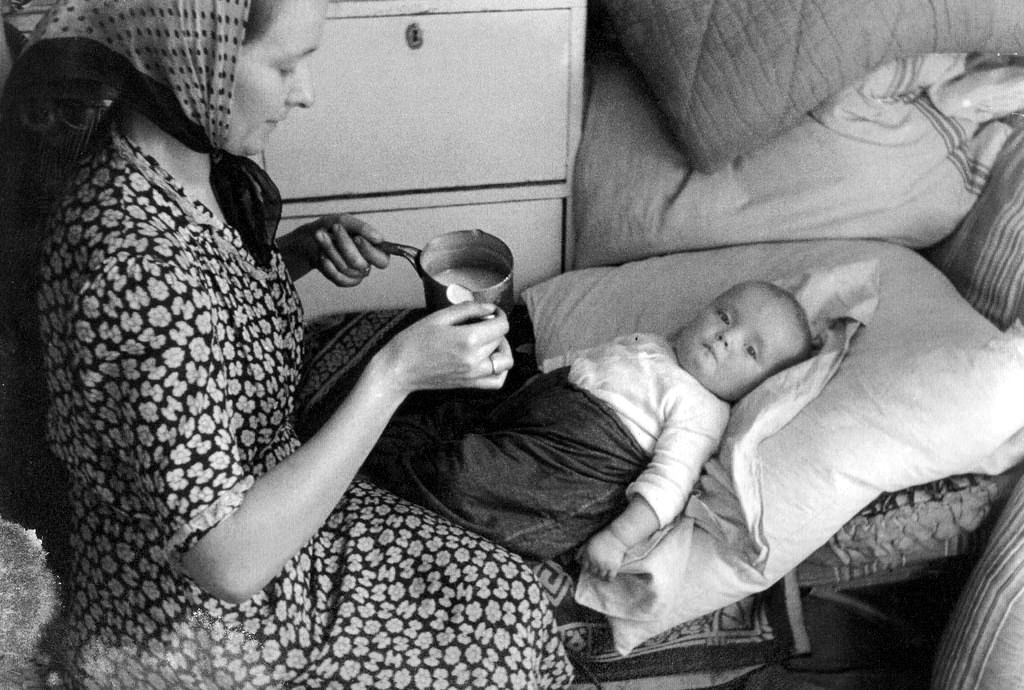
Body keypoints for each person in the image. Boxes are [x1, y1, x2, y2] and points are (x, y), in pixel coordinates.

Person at [1, 0, 573, 687]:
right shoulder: (128, 265)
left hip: (282, 526)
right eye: (285, 64)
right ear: (192, 55)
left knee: (514, 599)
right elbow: (228, 564)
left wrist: (293, 257)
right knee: (497, 655)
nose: (305, 93)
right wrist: (395, 374)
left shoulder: (191, 165)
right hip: (195, 624)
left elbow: (199, 325)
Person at [364, 281, 814, 578]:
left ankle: (384, 476)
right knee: (458, 409)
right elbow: (590, 360)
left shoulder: (704, 411)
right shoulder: (655, 344)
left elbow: (670, 483)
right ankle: (377, 436)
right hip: (545, 403)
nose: (725, 338)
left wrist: (618, 538)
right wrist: (541, 369)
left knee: (466, 474)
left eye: (750, 351)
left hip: (581, 457)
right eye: (725, 316)